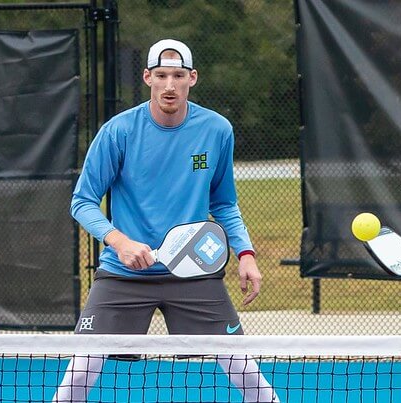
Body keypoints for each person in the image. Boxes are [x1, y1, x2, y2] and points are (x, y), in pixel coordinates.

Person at [53, 39, 278, 402]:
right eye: (161, 75)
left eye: (177, 75)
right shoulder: (119, 131)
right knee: (81, 369)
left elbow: (224, 204)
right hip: (124, 274)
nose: (169, 85)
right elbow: (83, 201)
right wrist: (119, 241)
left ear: (192, 78)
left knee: (242, 366)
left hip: (192, 270)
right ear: (147, 77)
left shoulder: (217, 130)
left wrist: (246, 254)